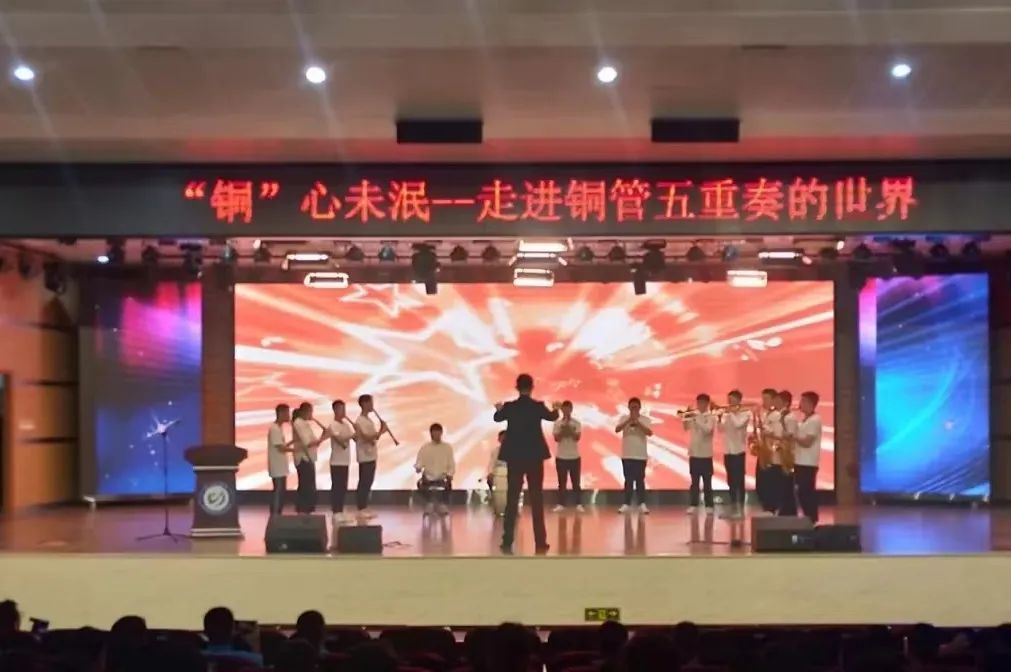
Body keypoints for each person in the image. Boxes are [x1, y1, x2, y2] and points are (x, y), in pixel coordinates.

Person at [493, 373, 559, 554]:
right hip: (534, 456)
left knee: (512, 498)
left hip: (515, 457)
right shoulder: (537, 406)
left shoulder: (510, 407)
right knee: (536, 498)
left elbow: (497, 418)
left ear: (517, 387)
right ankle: (541, 541)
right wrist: (556, 409)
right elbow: (552, 417)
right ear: (532, 387)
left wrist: (498, 409)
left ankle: (507, 540)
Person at [616, 397, 653, 514]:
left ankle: (642, 504)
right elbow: (617, 429)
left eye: (636, 407)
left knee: (640, 480)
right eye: (632, 407)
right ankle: (626, 503)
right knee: (628, 480)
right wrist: (629, 420)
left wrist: (637, 422)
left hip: (640, 455)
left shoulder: (645, 419)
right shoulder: (623, 418)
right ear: (628, 407)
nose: (634, 409)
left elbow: (649, 432)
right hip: (627, 455)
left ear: (640, 407)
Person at [353, 394, 386, 520]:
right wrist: (381, 431)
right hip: (364, 456)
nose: (372, 406)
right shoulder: (359, 421)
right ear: (364, 404)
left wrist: (380, 431)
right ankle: (360, 508)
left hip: (371, 455)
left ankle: (365, 507)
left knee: (368, 482)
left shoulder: (368, 420)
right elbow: (367, 438)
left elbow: (373, 439)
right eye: (370, 403)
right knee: (364, 482)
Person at [683, 394, 716, 515]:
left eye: (702, 403)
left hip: (706, 454)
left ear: (707, 404)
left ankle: (709, 505)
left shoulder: (711, 417)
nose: (700, 405)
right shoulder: (693, 416)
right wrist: (686, 417)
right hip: (694, 453)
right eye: (698, 403)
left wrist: (696, 419)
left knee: (707, 482)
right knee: (694, 482)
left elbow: (707, 430)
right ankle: (693, 504)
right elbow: (686, 427)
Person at [720, 390, 750, 519]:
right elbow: (721, 429)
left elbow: (738, 425)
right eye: (729, 400)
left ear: (738, 400)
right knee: (730, 481)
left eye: (732, 400)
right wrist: (719, 418)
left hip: (738, 451)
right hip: (728, 450)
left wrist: (730, 413)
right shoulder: (728, 415)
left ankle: (741, 510)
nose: (729, 403)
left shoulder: (745, 413)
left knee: (739, 481)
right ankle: (732, 508)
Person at [794, 391, 823, 522]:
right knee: (801, 492)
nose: (800, 404)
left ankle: (812, 519)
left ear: (810, 403)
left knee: (807, 492)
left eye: (803, 401)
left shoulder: (815, 420)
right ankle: (807, 518)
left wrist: (793, 436)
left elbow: (807, 442)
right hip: (800, 460)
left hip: (808, 462)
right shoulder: (804, 420)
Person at [325, 399, 355, 526]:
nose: (344, 412)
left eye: (344, 409)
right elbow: (341, 440)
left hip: (345, 461)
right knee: (337, 487)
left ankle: (341, 510)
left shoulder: (346, 425)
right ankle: (336, 512)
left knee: (343, 487)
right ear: (335, 410)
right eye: (341, 409)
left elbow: (353, 437)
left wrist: (356, 431)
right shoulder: (333, 425)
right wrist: (351, 435)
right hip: (336, 461)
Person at [415, 422, 456, 514]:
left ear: (441, 433)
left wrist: (450, 474)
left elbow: (451, 464)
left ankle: (442, 504)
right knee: (420, 484)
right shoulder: (425, 447)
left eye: (438, 433)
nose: (436, 435)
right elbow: (419, 462)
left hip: (442, 476)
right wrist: (418, 468)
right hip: (428, 477)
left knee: (448, 483)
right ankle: (429, 503)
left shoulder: (447, 447)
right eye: (434, 433)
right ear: (430, 434)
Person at [552, 400, 584, 512]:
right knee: (562, 483)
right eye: (564, 409)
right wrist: (563, 429)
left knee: (576, 483)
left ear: (571, 409)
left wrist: (569, 428)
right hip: (561, 456)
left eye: (568, 409)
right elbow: (557, 438)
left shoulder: (577, 423)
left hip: (574, 457)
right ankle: (561, 504)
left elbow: (577, 438)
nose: (566, 411)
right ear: (561, 410)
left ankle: (578, 504)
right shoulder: (557, 423)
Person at [291, 403, 322, 515]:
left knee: (308, 484)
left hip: (309, 457)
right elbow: (307, 442)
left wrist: (320, 439)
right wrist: (320, 439)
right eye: (310, 412)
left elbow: (313, 441)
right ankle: (303, 510)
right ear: (305, 411)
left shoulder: (304, 424)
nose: (311, 414)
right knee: (306, 485)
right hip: (303, 457)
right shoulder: (298, 423)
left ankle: (307, 510)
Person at [755, 388, 779, 514]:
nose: (764, 401)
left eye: (766, 399)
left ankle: (771, 508)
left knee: (770, 483)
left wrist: (764, 429)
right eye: (763, 398)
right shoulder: (766, 414)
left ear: (774, 400)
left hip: (772, 453)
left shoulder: (777, 415)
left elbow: (777, 432)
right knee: (761, 483)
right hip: (764, 452)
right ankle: (766, 507)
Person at [776, 390, 800, 516]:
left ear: (786, 403)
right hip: (784, 452)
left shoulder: (790, 417)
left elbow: (790, 434)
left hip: (789, 453)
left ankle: (790, 510)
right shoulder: (783, 416)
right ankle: (785, 509)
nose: (776, 403)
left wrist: (778, 437)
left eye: (778, 401)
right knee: (783, 483)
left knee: (788, 483)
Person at [267, 404, 293, 515]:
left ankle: (278, 515)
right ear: (281, 413)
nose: (289, 415)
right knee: (278, 492)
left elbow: (282, 445)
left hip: (281, 466)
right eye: (287, 413)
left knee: (281, 492)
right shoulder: (274, 429)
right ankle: (275, 515)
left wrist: (293, 442)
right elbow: (280, 448)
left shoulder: (278, 428)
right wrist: (296, 450)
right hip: (277, 466)